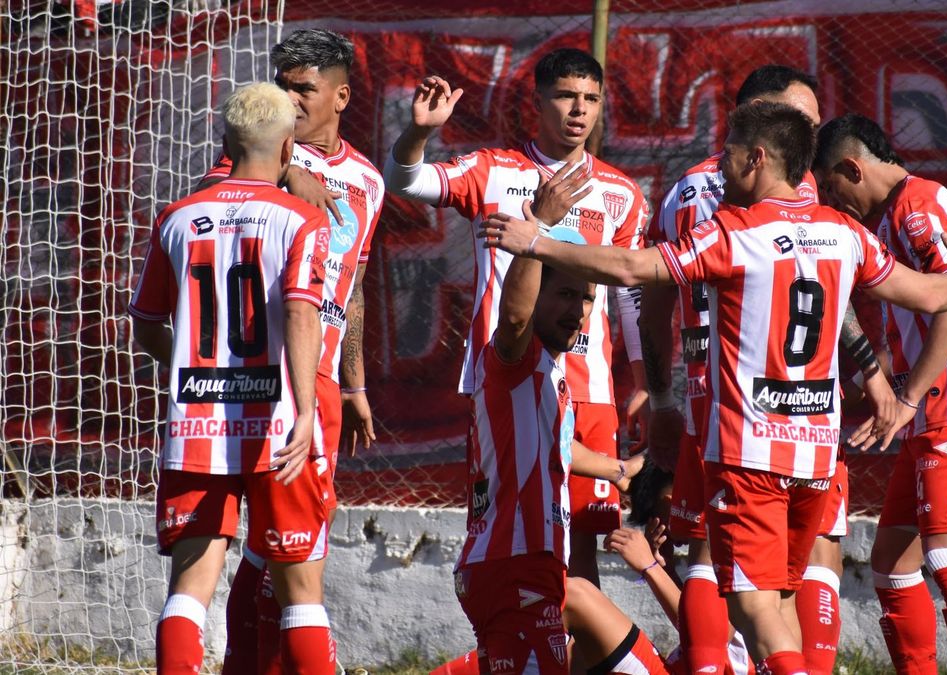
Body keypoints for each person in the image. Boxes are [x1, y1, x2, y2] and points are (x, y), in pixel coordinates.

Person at [480, 101, 947, 674]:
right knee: (778, 598)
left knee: (750, 605)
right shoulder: (845, 232)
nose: (719, 167)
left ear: (757, 158)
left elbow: (632, 269)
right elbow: (929, 296)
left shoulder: (735, 232)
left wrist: (537, 242)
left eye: (727, 154)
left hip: (749, 453)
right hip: (817, 461)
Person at [641, 64, 891, 675]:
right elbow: (819, 292)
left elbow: (653, 296)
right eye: (800, 120)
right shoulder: (790, 196)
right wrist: (869, 372)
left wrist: (660, 392)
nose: (810, 135)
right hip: (789, 406)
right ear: (762, 122)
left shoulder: (683, 191)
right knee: (804, 557)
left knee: (717, 552)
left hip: (717, 398)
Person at [383, 47, 650, 586]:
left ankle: (571, 661)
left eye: (591, 99)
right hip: (506, 378)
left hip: (587, 385)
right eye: (566, 96)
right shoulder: (495, 170)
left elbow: (629, 291)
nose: (579, 110)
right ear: (537, 102)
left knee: (580, 549)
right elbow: (406, 182)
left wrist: (643, 378)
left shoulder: (621, 192)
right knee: (512, 531)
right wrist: (418, 134)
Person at [813, 114, 947, 675]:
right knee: (891, 562)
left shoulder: (918, 207)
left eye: (836, 190)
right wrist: (883, 389)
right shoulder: (894, 217)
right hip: (929, 407)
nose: (838, 205)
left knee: (946, 553)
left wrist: (906, 398)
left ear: (852, 167)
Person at [128, 82, 335, 674]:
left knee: (188, 588)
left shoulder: (177, 216)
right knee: (301, 595)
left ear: (225, 142)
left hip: (195, 423)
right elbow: (301, 312)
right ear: (290, 148)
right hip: (276, 429)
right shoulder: (301, 219)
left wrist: (192, 368)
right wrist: (301, 410)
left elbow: (145, 324)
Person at [198, 29, 385, 674]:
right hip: (247, 382)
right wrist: (287, 170)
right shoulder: (245, 159)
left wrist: (355, 386)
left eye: (304, 88)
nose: (291, 98)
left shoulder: (366, 180)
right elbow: (219, 193)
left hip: (320, 382)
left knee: (283, 551)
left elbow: (351, 287)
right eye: (283, 86)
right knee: (291, 563)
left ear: (341, 96)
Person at [455, 216, 646, 675]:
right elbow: (516, 316)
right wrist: (535, 233)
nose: (578, 311)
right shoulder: (513, 357)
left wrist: (618, 470)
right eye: (565, 294)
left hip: (511, 562)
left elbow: (557, 446)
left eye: (587, 299)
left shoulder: (549, 369)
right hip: (516, 560)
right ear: (534, 290)